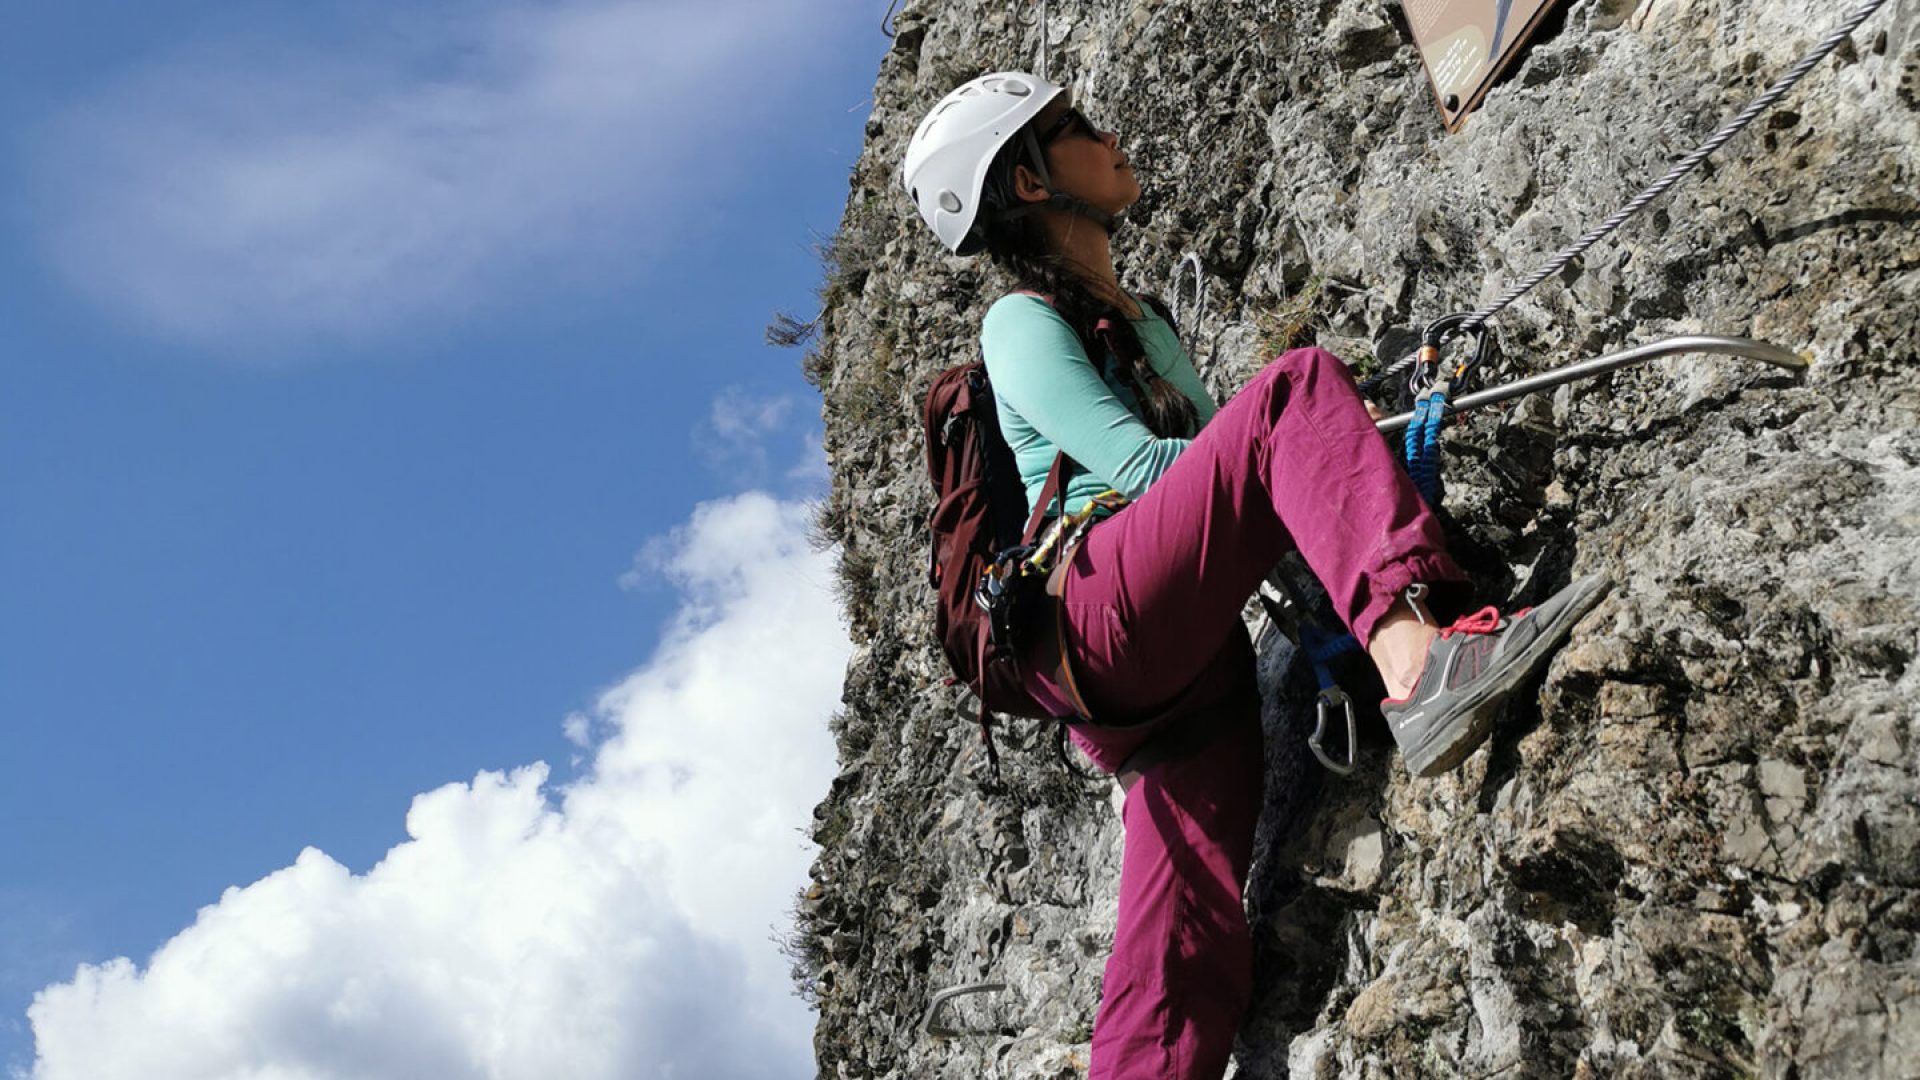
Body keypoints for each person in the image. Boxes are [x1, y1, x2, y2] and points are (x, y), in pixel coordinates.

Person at [900, 71, 1608, 1080]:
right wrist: (1315, 436)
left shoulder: (1140, 322)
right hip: (1098, 604)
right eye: (1078, 129)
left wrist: (1333, 470)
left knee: (1182, 915)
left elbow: (1236, 482)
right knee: (1293, 391)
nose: (1111, 135)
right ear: (1026, 179)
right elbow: (1148, 467)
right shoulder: (1019, 322)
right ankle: (1421, 664)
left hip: (1157, 665)